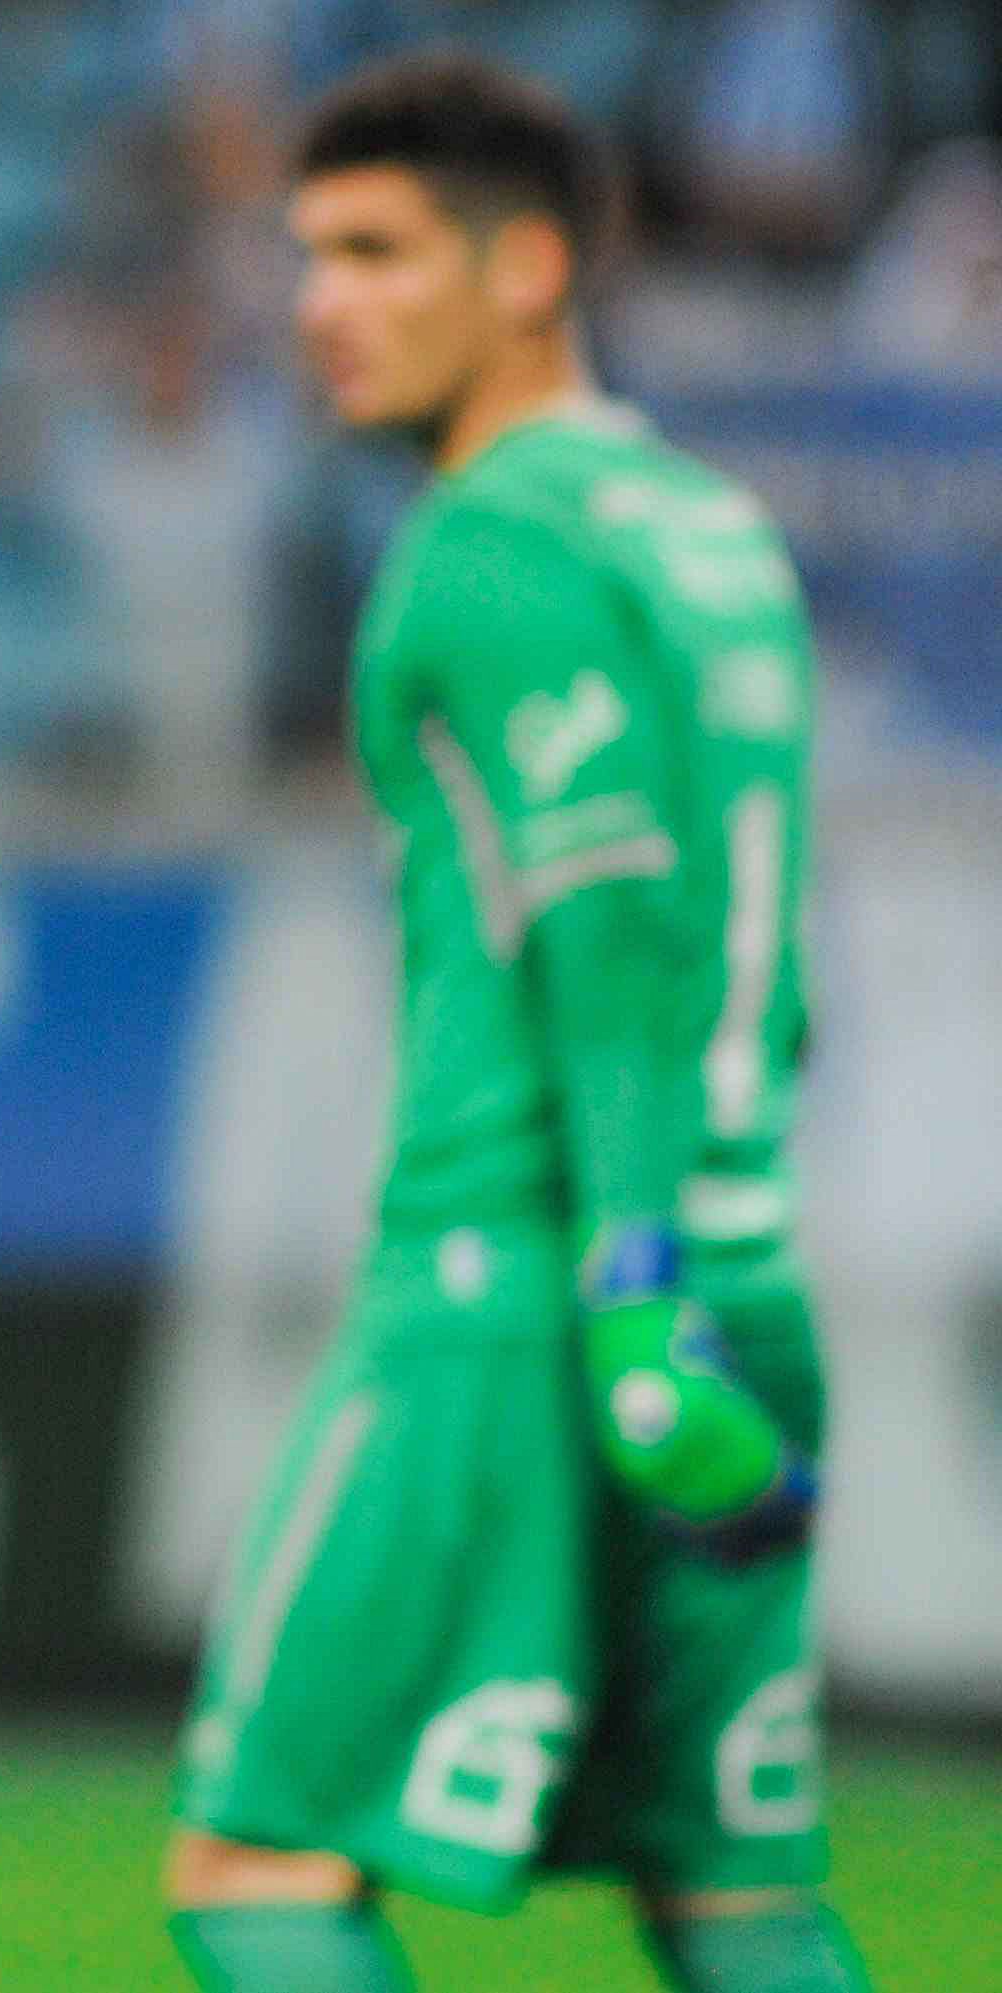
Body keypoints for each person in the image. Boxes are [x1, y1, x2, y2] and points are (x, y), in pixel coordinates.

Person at [163, 55, 862, 1993]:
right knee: (740, 1901)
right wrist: (699, 1273)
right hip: (745, 1280)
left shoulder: (487, 545)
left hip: (531, 1287)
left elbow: (615, 919)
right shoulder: (706, 527)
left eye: (379, 253)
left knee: (256, 1856)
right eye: (309, 257)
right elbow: (758, 947)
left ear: (532, 265)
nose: (323, 305)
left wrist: (630, 1285)